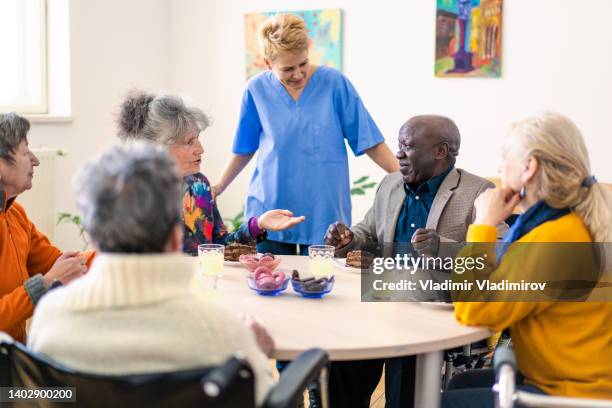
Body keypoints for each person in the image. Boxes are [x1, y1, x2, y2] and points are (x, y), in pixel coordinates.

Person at [28, 142, 276, 406]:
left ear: (93, 236)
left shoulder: (50, 319)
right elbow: (263, 399)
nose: (200, 148)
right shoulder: (221, 332)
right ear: (175, 236)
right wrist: (256, 355)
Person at [324, 115, 508, 408]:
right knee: (342, 360)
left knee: (405, 367)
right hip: (376, 302)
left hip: (431, 311)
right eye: (399, 145)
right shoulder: (390, 184)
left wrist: (441, 247)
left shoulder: (478, 192)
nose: (398, 154)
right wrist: (348, 239)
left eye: (407, 146)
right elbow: (367, 230)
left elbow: (500, 254)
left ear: (440, 151)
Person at [443, 112, 612, 407]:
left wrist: (482, 225)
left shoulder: (553, 239)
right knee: (459, 384)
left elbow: (473, 309)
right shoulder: (572, 222)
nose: (498, 166)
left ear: (529, 167)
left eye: (504, 156)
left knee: (434, 401)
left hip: (573, 395)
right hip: (573, 379)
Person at [214, 13, 400, 256]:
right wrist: (219, 186)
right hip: (270, 209)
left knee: (326, 286)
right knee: (270, 284)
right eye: (287, 69)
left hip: (325, 211)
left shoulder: (334, 84)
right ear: (267, 64)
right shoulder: (255, 90)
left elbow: (370, 141)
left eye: (303, 63)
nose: (298, 74)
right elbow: (244, 147)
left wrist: (406, 177)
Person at [117, 90, 304, 255]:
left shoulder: (198, 186)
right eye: (189, 142)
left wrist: (257, 225)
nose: (201, 149)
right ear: (158, 148)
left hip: (203, 287)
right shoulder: (133, 195)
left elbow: (220, 247)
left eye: (198, 138)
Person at [0, 112, 89, 343]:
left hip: (13, 354)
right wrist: (45, 283)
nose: (35, 160)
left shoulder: (15, 214)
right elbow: (53, 274)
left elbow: (61, 263)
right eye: (25, 151)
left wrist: (123, 253)